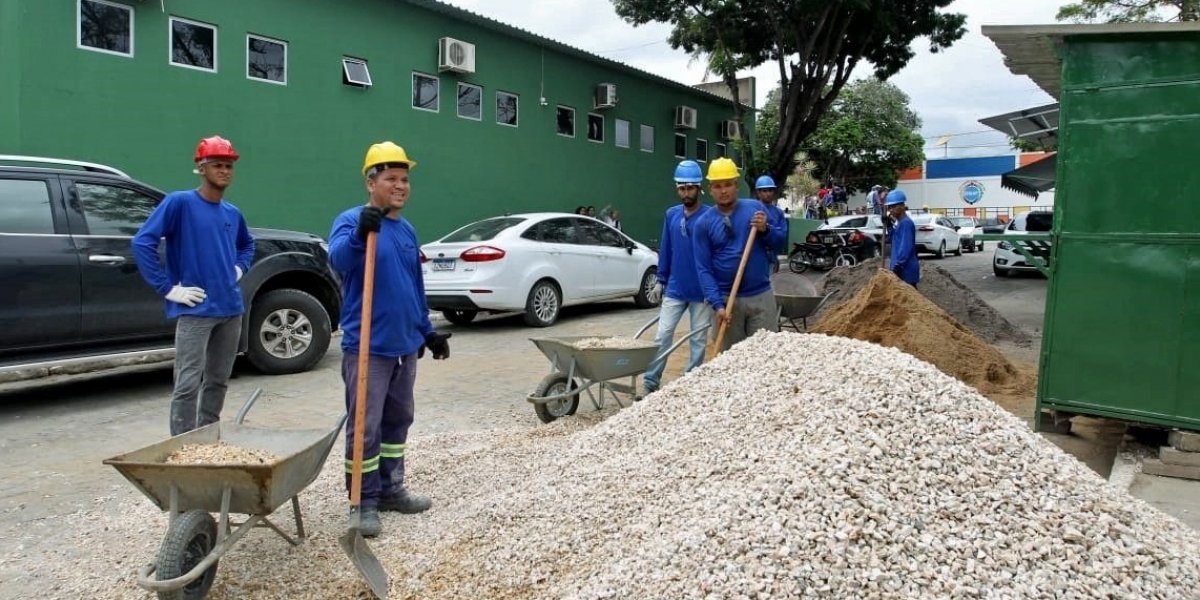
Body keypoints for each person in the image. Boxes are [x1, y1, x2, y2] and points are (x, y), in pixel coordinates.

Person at [328, 141, 451, 537]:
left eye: (405, 179)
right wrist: (360, 233)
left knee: (398, 421)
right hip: (367, 347)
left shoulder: (407, 230)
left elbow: (414, 286)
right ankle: (362, 502)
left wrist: (427, 331)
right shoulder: (351, 220)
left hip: (404, 347)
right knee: (365, 426)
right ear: (371, 182)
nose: (401, 186)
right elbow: (338, 261)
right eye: (391, 179)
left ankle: (391, 489)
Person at [132, 135, 255, 436]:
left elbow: (247, 245)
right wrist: (168, 288)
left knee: (218, 380)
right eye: (217, 165)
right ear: (201, 168)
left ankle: (208, 436)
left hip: (230, 309)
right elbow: (142, 242)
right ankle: (183, 443)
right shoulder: (180, 203)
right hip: (196, 310)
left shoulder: (232, 212)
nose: (224, 171)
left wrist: (239, 268)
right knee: (187, 383)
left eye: (228, 166)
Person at [693, 158, 787, 352]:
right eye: (718, 186)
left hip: (760, 297)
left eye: (728, 184)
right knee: (729, 358)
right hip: (726, 301)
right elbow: (704, 269)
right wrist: (717, 305)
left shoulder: (755, 210)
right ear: (710, 189)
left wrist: (766, 229)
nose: (723, 190)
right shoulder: (703, 224)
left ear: (736, 186)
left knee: (765, 355)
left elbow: (779, 243)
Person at [642, 161, 713, 395]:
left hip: (702, 292)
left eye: (690, 188)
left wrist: (716, 289)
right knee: (662, 335)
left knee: (698, 340)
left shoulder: (710, 216)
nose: (686, 193)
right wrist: (660, 279)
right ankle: (650, 383)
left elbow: (717, 254)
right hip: (675, 288)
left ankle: (690, 384)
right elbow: (667, 248)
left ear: (699, 188)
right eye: (682, 188)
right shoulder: (671, 214)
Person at [753, 175, 789, 272]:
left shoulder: (778, 213)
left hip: (770, 258)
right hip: (753, 258)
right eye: (764, 191)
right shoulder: (752, 209)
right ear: (758, 192)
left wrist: (768, 230)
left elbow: (781, 238)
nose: (768, 194)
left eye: (770, 190)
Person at [885, 189, 920, 287]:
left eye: (893, 207)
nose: (890, 210)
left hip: (905, 271)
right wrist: (889, 226)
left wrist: (899, 266)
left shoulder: (906, 224)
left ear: (901, 206)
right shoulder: (900, 223)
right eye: (889, 207)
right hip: (902, 269)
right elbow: (894, 240)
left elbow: (905, 247)